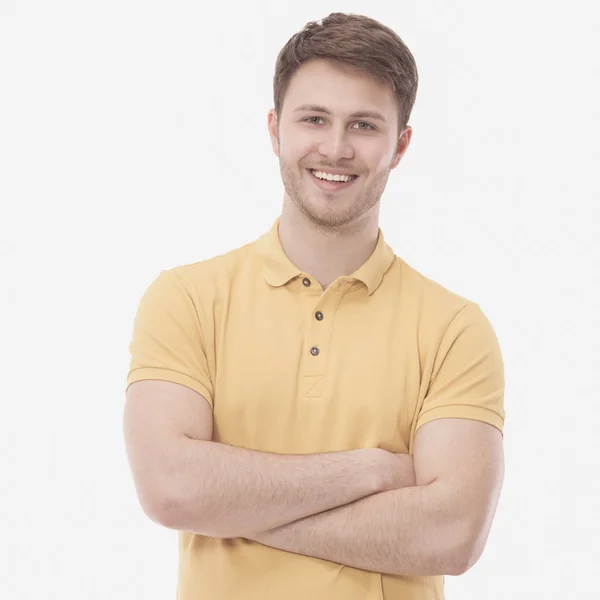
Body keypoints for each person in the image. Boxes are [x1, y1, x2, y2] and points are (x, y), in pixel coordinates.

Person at [124, 12, 505, 600]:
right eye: (314, 119)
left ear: (400, 145)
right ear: (275, 130)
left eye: (363, 124)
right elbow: (172, 489)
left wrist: (235, 508)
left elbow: (452, 534)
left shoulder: (454, 329)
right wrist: (370, 471)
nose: (335, 147)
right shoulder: (187, 300)